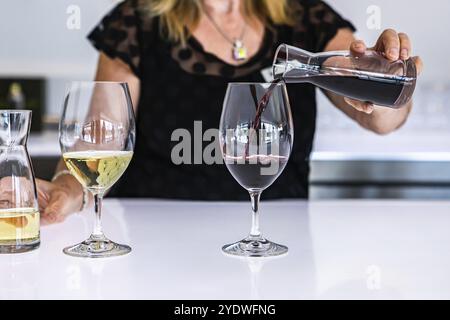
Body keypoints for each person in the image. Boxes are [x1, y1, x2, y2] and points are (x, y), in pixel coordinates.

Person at [37, 0, 423, 223]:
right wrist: (68, 190)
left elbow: (382, 120)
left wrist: (385, 77)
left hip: (279, 245)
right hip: (159, 244)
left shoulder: (304, 16)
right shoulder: (138, 21)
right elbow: (100, 141)